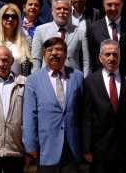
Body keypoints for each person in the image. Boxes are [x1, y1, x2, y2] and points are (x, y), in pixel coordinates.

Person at [82, 40, 126, 173]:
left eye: (115, 54)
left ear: (120, 57)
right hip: (100, 150)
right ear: (100, 57)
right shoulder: (90, 81)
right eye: (107, 54)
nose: (111, 58)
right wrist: (87, 148)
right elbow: (87, 118)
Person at [23, 37, 85, 173]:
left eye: (58, 49)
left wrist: (86, 146)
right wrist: (30, 146)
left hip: (72, 147)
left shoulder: (78, 76)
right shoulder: (33, 80)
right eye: (50, 50)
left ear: (66, 54)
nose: (54, 53)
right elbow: (29, 115)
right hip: (45, 148)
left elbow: (83, 113)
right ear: (44, 54)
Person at [31, 0, 89, 75]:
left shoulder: (80, 32)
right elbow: (36, 59)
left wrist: (84, 80)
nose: (62, 12)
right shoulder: (40, 30)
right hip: (47, 77)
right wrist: (36, 79)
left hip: (72, 77)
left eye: (65, 9)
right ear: (52, 11)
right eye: (58, 8)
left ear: (71, 12)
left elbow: (86, 61)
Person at [87, 0, 126, 75]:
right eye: (109, 4)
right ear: (104, 5)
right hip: (101, 78)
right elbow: (90, 57)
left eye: (117, 4)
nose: (113, 8)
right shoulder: (94, 28)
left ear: (122, 5)